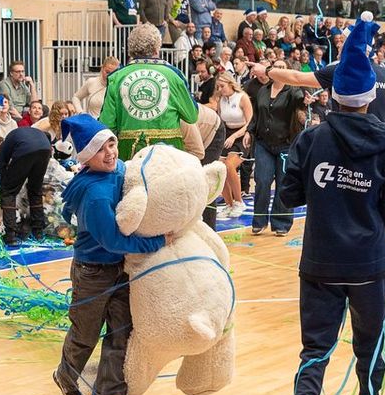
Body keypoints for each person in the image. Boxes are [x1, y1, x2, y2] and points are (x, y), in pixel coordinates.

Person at [275, 16, 385, 395]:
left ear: (333, 96)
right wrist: (377, 223)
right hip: (368, 263)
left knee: (315, 348)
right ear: (371, 97)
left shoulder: (311, 139)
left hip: (320, 260)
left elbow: (289, 195)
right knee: (370, 345)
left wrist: (319, 185)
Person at [54, 113, 166, 395]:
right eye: (100, 149)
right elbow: (115, 241)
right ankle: (66, 375)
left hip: (121, 268)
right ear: (86, 156)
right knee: (85, 334)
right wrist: (158, 242)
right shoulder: (95, 194)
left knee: (122, 331)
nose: (110, 153)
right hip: (93, 272)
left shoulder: (120, 170)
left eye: (112, 144)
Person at [99, 24, 198, 160]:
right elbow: (192, 115)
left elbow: (106, 124)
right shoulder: (174, 75)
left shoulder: (116, 77)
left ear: (130, 49)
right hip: (168, 153)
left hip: (129, 153)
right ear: (157, 47)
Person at [248, 59, 307, 236]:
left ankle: (281, 223)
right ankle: (259, 221)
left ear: (287, 71)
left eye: (283, 67)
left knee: (283, 183)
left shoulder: (293, 91)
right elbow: (256, 115)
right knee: (262, 181)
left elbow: (301, 103)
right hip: (263, 143)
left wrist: (305, 102)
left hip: (286, 146)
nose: (279, 70)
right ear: (271, 70)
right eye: (277, 67)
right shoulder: (263, 90)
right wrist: (249, 132)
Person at [0, 125, 52, 246]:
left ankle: (10, 234)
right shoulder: (14, 138)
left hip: (27, 148)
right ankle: (38, 231)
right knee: (35, 190)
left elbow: (4, 178)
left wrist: (8, 191)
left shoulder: (3, 147)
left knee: (8, 192)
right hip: (45, 148)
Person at [208, 73, 252, 220]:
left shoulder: (242, 97)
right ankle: (228, 203)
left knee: (229, 165)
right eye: (218, 87)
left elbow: (250, 123)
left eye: (222, 86)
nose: (220, 89)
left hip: (243, 135)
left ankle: (239, 202)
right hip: (227, 134)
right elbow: (221, 121)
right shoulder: (221, 100)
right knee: (218, 168)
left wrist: (235, 136)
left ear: (230, 84)